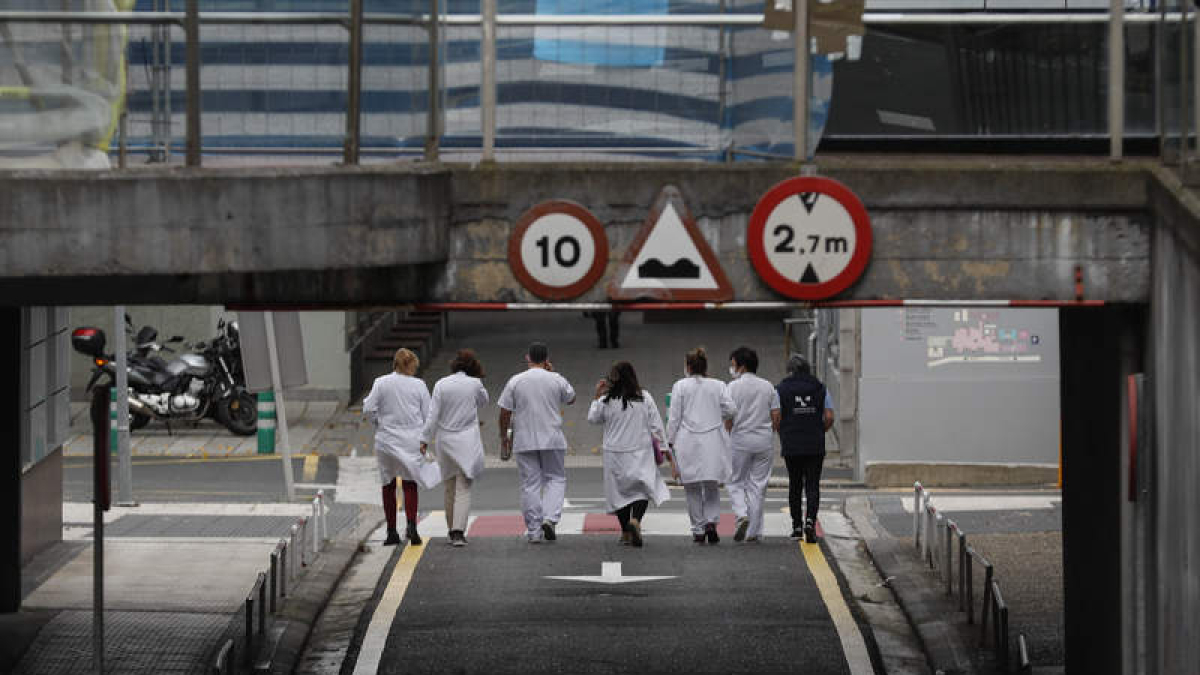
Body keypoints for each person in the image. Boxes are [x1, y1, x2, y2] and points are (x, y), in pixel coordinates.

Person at [498, 342, 576, 543]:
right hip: (552, 437)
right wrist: (553, 372)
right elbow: (571, 398)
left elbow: (505, 411)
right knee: (555, 478)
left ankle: (533, 531)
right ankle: (550, 518)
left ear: (528, 358)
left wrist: (504, 437)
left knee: (530, 484)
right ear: (547, 359)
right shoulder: (555, 379)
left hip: (524, 438)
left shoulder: (516, 381)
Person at [363, 348, 442, 546]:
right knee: (410, 483)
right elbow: (428, 415)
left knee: (388, 484)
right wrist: (425, 439)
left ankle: (391, 532)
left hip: (386, 439)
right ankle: (412, 526)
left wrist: (378, 423)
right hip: (412, 440)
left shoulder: (381, 382)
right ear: (411, 365)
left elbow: (368, 408)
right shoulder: (419, 385)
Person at [586, 361, 670, 547]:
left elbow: (592, 418)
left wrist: (596, 396)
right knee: (642, 489)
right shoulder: (644, 397)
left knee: (619, 493)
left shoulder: (607, 400)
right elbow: (656, 425)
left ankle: (625, 531)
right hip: (640, 450)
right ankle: (636, 520)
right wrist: (664, 448)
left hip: (615, 453)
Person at [667, 347, 737, 544]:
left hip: (687, 440)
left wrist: (669, 441)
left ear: (688, 367)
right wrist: (717, 415)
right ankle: (711, 522)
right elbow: (732, 409)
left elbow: (674, 417)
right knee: (711, 484)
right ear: (705, 367)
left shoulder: (680, 386)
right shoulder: (718, 385)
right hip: (713, 439)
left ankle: (698, 529)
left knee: (692, 487)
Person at [420, 349, 489, 547]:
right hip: (466, 440)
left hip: (444, 440)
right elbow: (484, 401)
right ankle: (458, 531)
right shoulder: (475, 384)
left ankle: (451, 530)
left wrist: (424, 439)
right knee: (463, 486)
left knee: (449, 486)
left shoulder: (441, 384)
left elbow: (432, 415)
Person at [776, 354, 835, 543]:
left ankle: (797, 527)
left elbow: (776, 416)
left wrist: (782, 431)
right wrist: (820, 429)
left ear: (790, 371)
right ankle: (810, 522)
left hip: (791, 443)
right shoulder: (820, 388)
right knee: (812, 484)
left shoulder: (781, 389)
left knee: (795, 484)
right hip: (814, 443)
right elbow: (829, 416)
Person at [725, 346, 781, 543]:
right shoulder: (768, 386)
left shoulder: (732, 387)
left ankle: (741, 514)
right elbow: (776, 415)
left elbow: (728, 418)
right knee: (758, 486)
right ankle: (754, 532)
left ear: (741, 366)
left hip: (740, 439)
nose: (732, 369)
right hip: (764, 440)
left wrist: (728, 435)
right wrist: (769, 432)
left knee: (735, 481)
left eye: (733, 365)